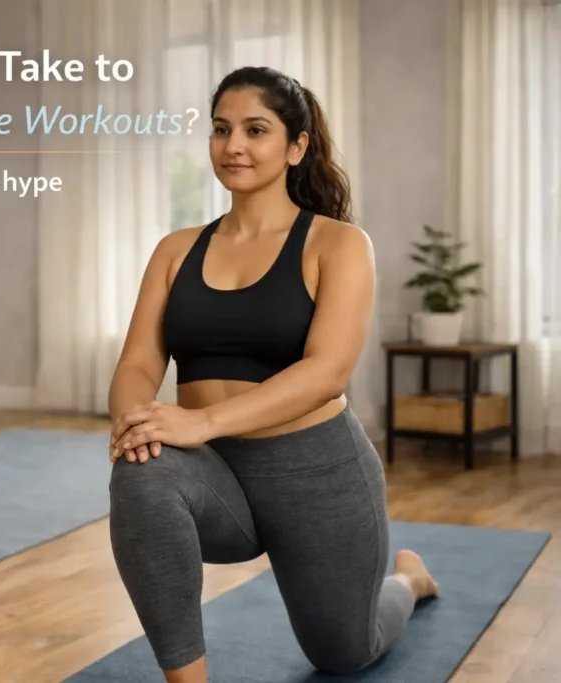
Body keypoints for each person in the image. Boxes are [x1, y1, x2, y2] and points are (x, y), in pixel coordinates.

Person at [105, 65, 440, 683]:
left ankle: (408, 581)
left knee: (345, 655)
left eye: (255, 130)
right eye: (220, 129)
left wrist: (200, 420)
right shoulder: (176, 249)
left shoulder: (338, 244)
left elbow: (326, 373)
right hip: (216, 476)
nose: (233, 146)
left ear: (296, 146)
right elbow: (138, 362)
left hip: (317, 474)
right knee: (141, 470)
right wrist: (136, 421)